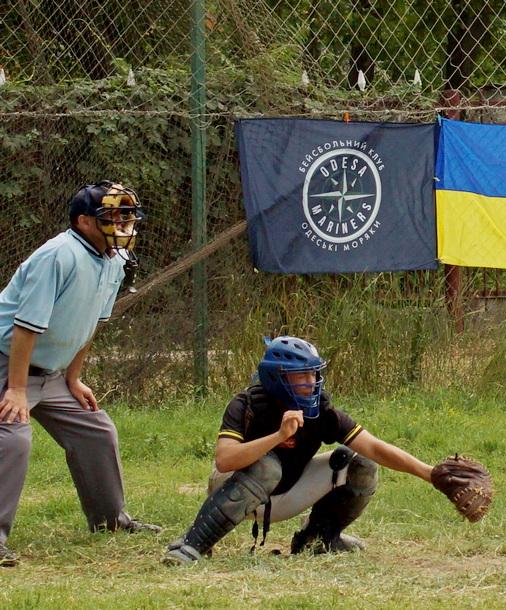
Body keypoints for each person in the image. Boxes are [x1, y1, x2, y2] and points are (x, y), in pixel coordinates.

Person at [163, 336, 442, 564]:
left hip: (288, 493)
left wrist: (431, 474)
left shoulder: (321, 411)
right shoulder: (247, 404)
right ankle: (192, 544)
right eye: (302, 375)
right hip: (232, 490)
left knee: (361, 462)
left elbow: (375, 447)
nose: (312, 381)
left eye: (313, 372)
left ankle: (319, 538)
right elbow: (224, 460)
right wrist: (278, 436)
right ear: (276, 377)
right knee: (267, 465)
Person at [0, 181, 158, 567]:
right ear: (84, 221)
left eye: (127, 214)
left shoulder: (115, 259)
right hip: (8, 364)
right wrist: (17, 390)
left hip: (50, 373)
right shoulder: (59, 254)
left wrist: (72, 378)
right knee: (12, 441)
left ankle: (111, 521)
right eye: (114, 215)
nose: (124, 223)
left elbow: (91, 324)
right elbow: (26, 327)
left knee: (96, 429)